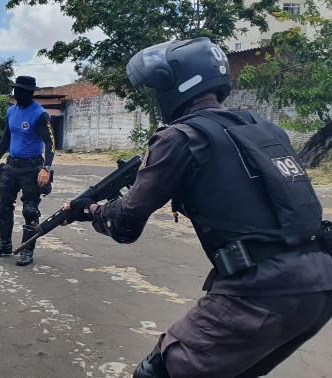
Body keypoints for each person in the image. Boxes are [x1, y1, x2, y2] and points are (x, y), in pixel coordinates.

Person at [64, 38, 332, 378]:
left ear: (174, 85)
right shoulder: (263, 128)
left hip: (259, 291)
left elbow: (125, 224)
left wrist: (91, 210)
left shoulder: (180, 137)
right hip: (320, 282)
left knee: (160, 371)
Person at [0, 75, 56, 266]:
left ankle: (27, 250)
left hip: (31, 168)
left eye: (22, 91)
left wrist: (46, 169)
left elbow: (51, 143)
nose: (17, 93)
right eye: (16, 90)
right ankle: (5, 244)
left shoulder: (40, 114)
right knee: (3, 206)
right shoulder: (11, 111)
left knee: (30, 210)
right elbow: (6, 138)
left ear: (30, 93)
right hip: (11, 166)